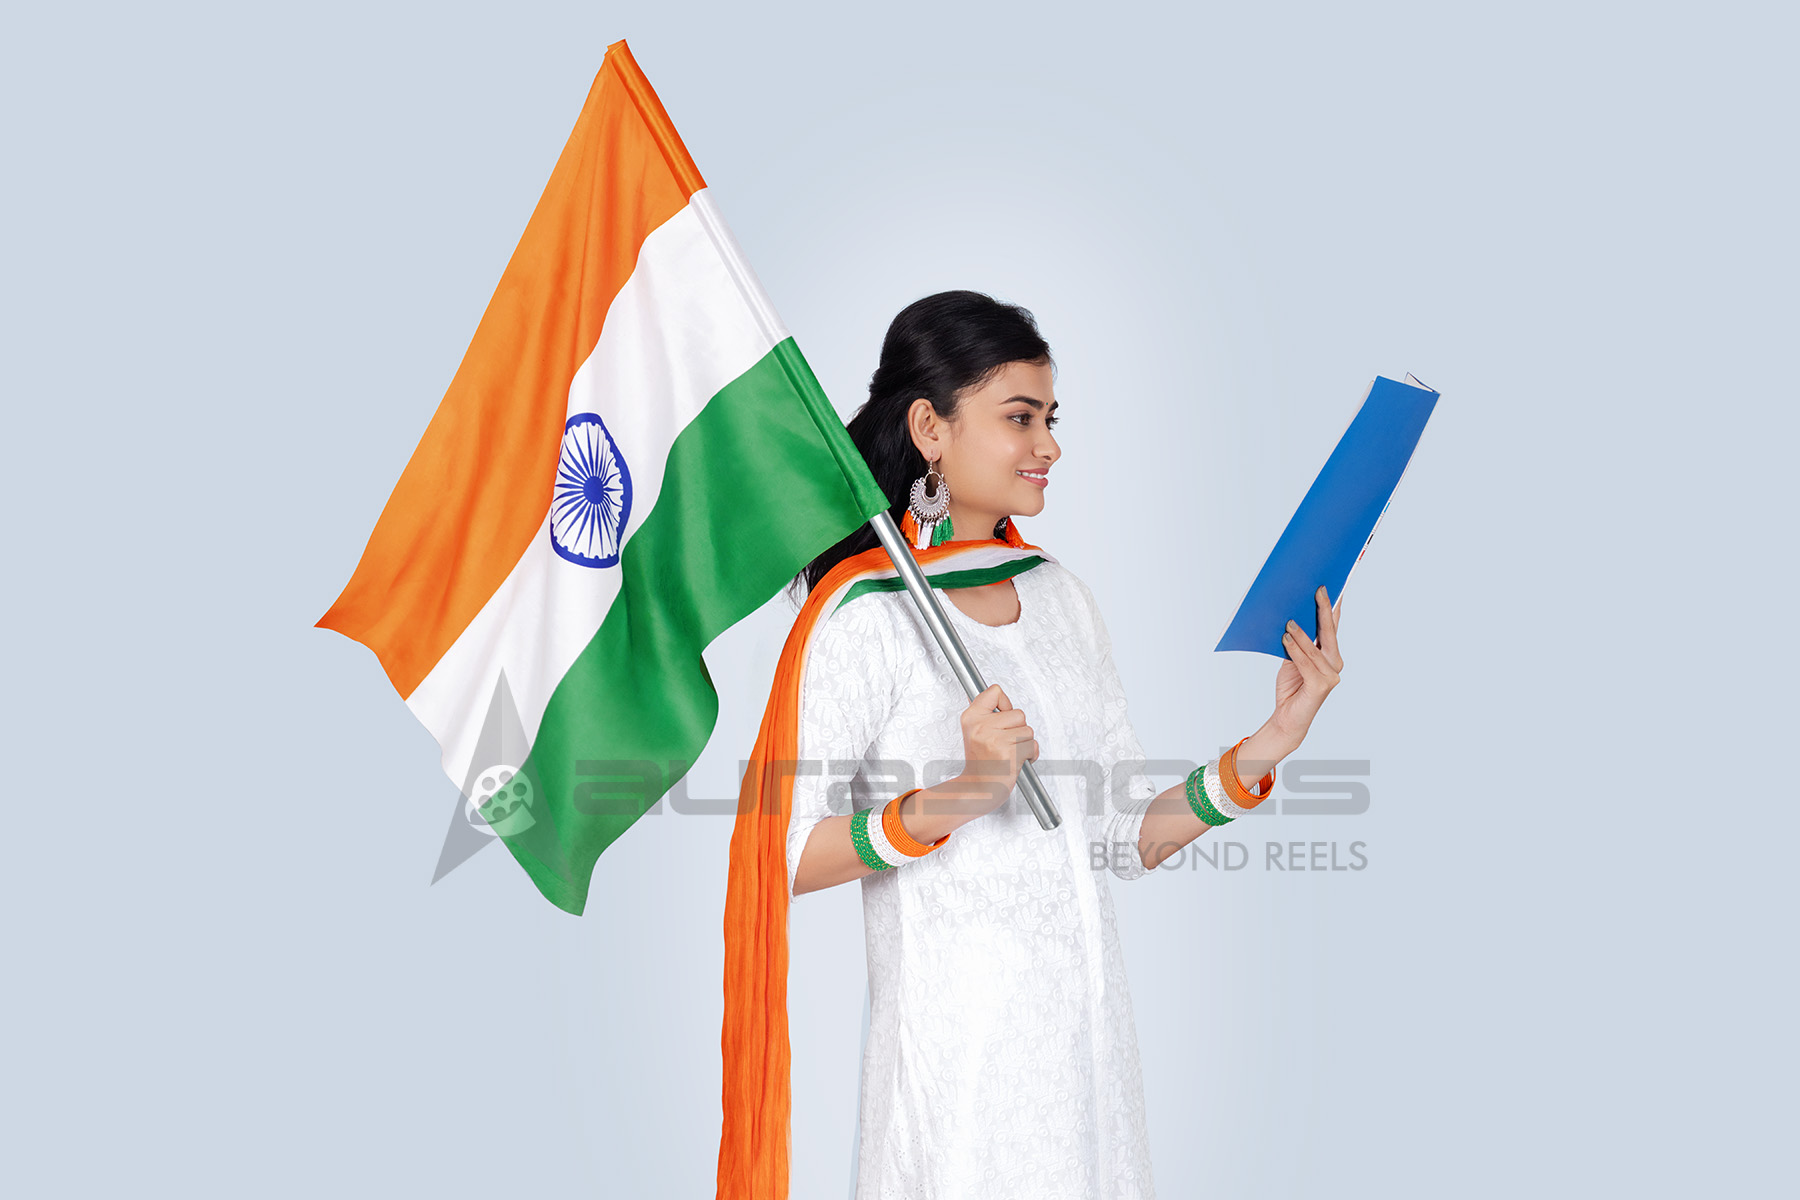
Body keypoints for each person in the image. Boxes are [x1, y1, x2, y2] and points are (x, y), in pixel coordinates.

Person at [716, 290, 1345, 1199]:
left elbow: (1127, 837)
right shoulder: (863, 619)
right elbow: (777, 857)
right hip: (957, 1095)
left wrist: (1274, 738)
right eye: (1020, 418)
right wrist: (958, 796)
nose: (1049, 445)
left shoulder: (1061, 598)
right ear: (930, 427)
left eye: (1051, 418)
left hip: (1091, 1080)